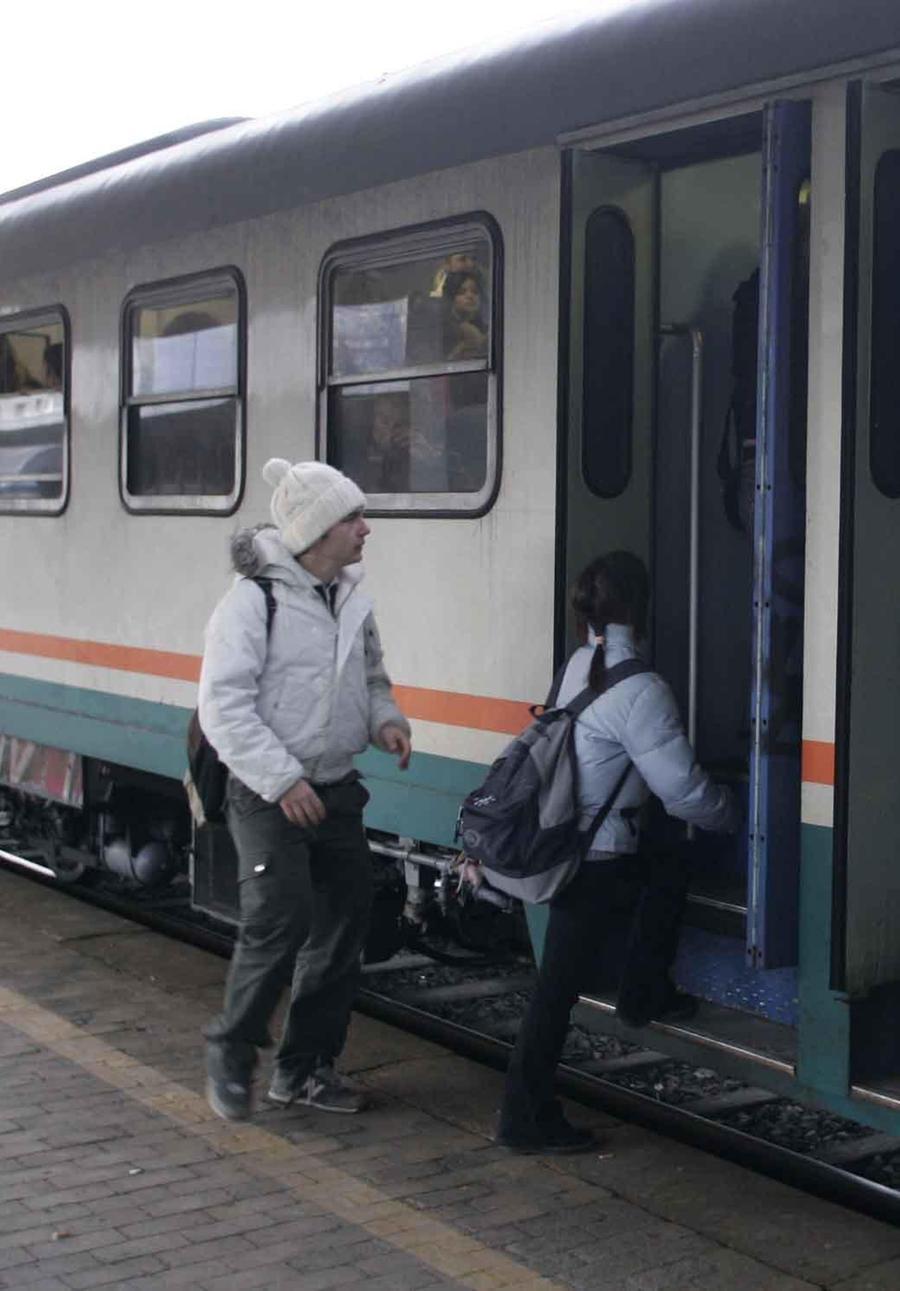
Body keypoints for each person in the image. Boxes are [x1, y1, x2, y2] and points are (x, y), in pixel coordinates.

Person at [497, 551, 738, 1155]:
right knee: (556, 992)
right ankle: (523, 1117)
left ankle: (642, 991)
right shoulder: (641, 688)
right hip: (598, 863)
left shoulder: (576, 665)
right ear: (642, 607)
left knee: (663, 868)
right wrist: (732, 818)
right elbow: (684, 794)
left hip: (573, 846)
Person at [198, 458, 412, 1122]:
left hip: (335, 788)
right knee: (280, 916)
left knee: (347, 920)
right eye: (353, 518)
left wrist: (385, 718)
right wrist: (282, 777)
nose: (365, 529)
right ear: (318, 531)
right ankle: (231, 1051)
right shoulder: (251, 602)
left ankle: (303, 1068)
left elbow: (371, 674)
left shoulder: (348, 596)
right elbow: (222, 707)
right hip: (266, 792)